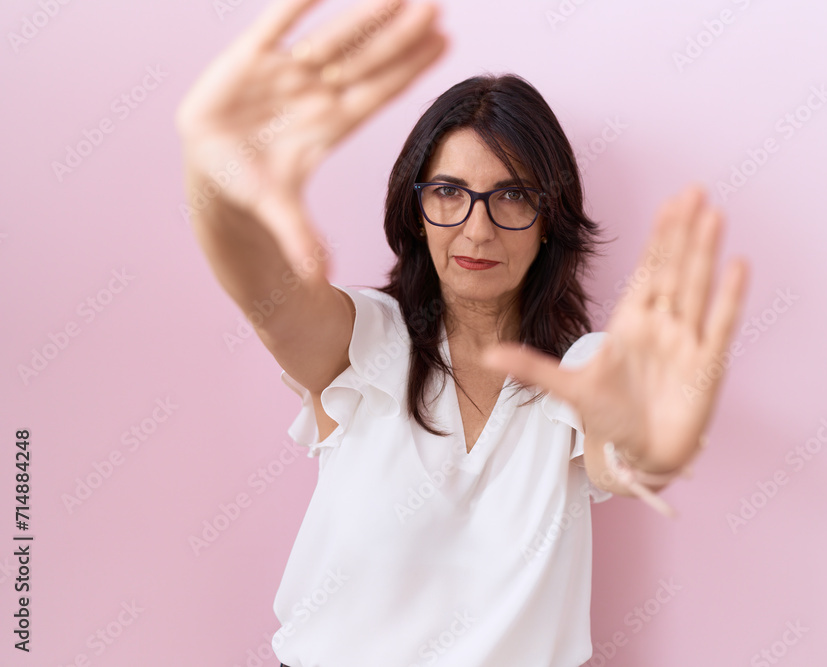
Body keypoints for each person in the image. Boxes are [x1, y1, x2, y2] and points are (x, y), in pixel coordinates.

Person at [175, 0, 749, 664]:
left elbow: (620, 446)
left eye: (512, 197)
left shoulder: (579, 373)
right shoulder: (364, 340)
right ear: (415, 208)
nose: (476, 230)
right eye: (449, 191)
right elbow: (264, 290)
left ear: (548, 220)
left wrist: (649, 449)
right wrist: (213, 181)